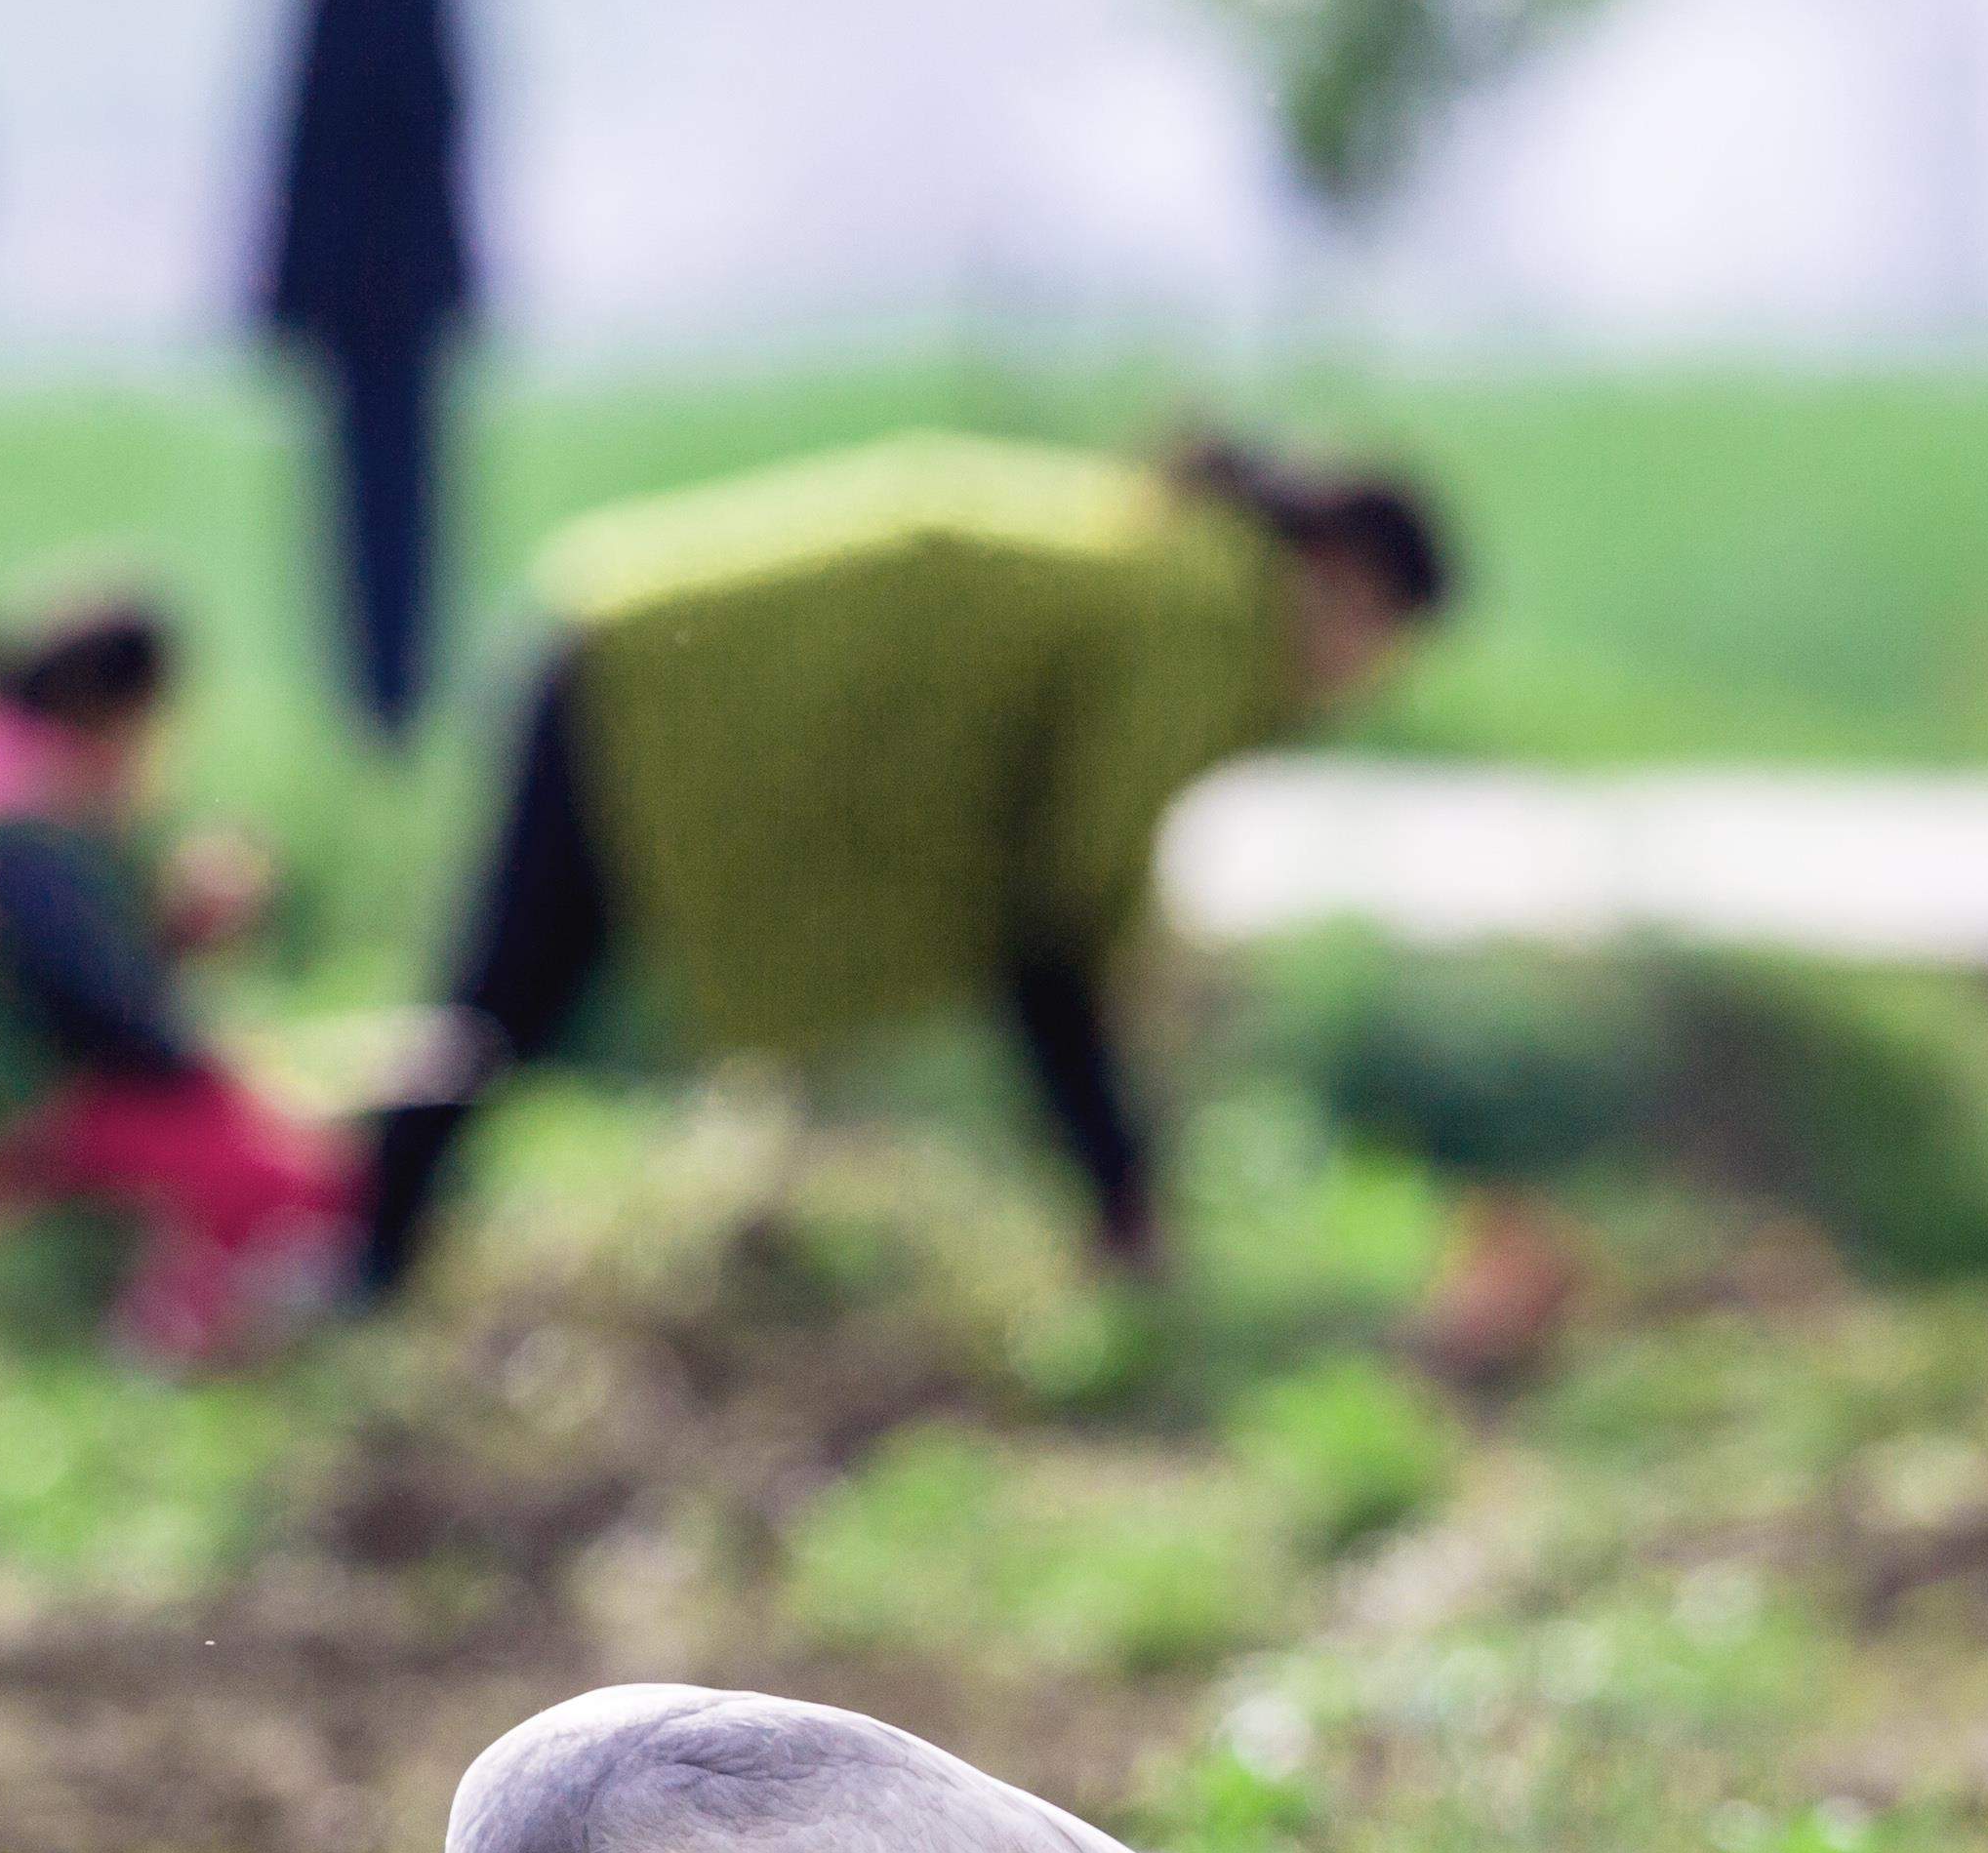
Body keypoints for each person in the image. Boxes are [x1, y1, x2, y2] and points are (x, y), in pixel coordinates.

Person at [353, 431, 1457, 1298]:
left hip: (639, 655)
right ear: (1341, 579)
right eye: (1377, 643)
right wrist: (1123, 1177)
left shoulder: (1177, 566)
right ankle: (345, 1254)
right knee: (504, 1006)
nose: (1359, 682)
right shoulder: (1204, 617)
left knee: (507, 1005)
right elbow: (1054, 918)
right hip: (656, 687)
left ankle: (355, 1249)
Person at [0, 604, 356, 1363]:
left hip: (12, 1104)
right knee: (285, 1178)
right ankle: (162, 1357)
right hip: (19, 1116)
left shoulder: (6, 813)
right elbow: (94, 1009)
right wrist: (211, 1059)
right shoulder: (20, 840)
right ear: (113, 711)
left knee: (275, 1143)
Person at [257, 0, 476, 746]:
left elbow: (384, 142)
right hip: (367, 296)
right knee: (362, 510)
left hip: (385, 293)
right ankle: (374, 700)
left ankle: (394, 702)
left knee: (394, 506)